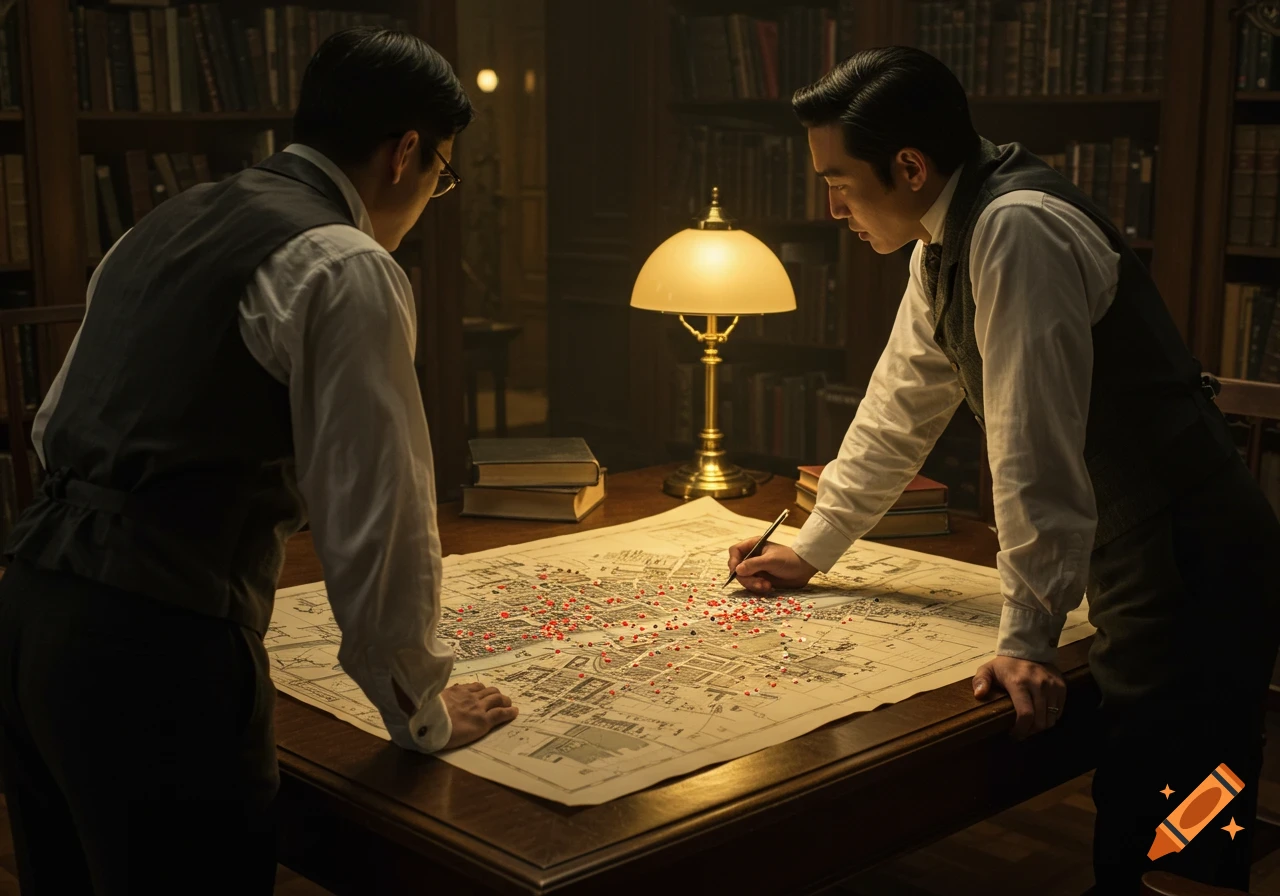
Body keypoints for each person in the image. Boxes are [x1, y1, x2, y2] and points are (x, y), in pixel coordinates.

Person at [726, 47, 1280, 894]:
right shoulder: (941, 241)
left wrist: (1027, 639)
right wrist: (814, 545)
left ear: (909, 167)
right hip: (1140, 545)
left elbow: (1033, 447)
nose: (830, 206)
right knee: (1145, 817)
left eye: (839, 181)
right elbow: (900, 405)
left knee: (1177, 842)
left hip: (1191, 556)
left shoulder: (1015, 231)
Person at [0, 27, 516, 896]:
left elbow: (56, 428)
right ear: (406, 153)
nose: (436, 192)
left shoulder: (165, 222)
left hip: (27, 611)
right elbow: (377, 519)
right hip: (158, 650)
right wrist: (419, 712)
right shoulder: (345, 264)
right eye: (444, 173)